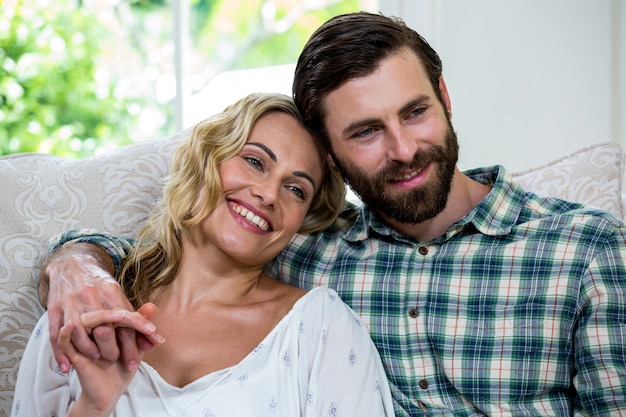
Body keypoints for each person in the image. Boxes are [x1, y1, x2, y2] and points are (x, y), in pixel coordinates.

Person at [39, 11, 626, 417]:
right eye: (366, 131)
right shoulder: (303, 242)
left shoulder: (587, 252)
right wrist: (77, 265)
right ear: (330, 156)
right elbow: (176, 251)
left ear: (444, 98)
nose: (401, 149)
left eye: (415, 111)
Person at [11, 92, 395, 417]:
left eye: (296, 189)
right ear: (206, 159)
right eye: (255, 161)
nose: (268, 194)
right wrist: (94, 406)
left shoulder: (320, 329)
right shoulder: (80, 306)